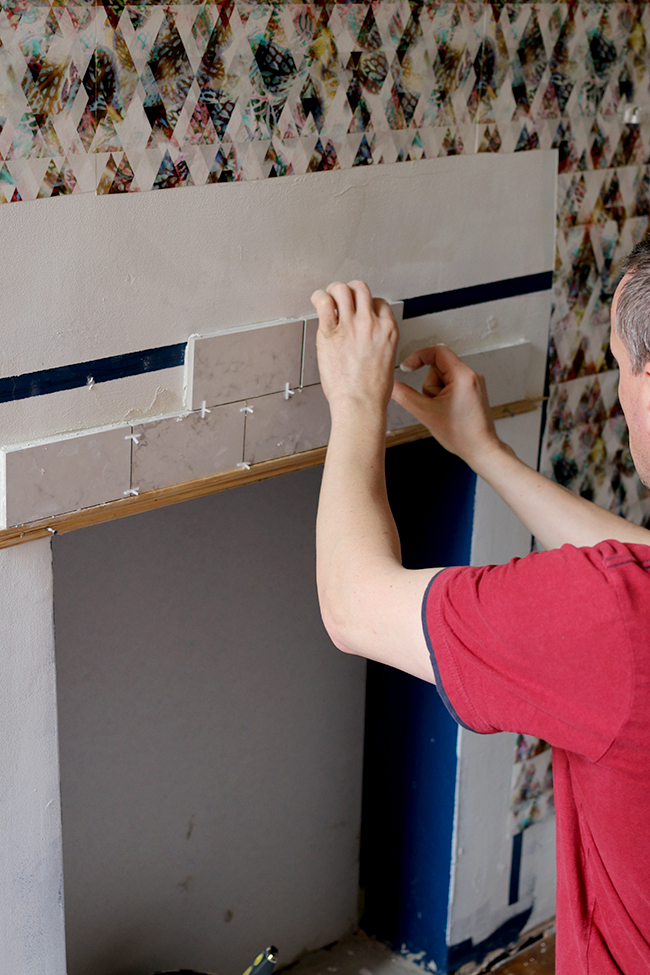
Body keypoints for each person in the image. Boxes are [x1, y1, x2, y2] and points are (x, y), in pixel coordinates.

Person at [310, 240, 650, 975]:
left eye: (622, 364)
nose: (621, 394)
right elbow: (640, 560)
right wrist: (483, 450)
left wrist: (356, 401)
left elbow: (350, 604)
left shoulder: (611, 625)